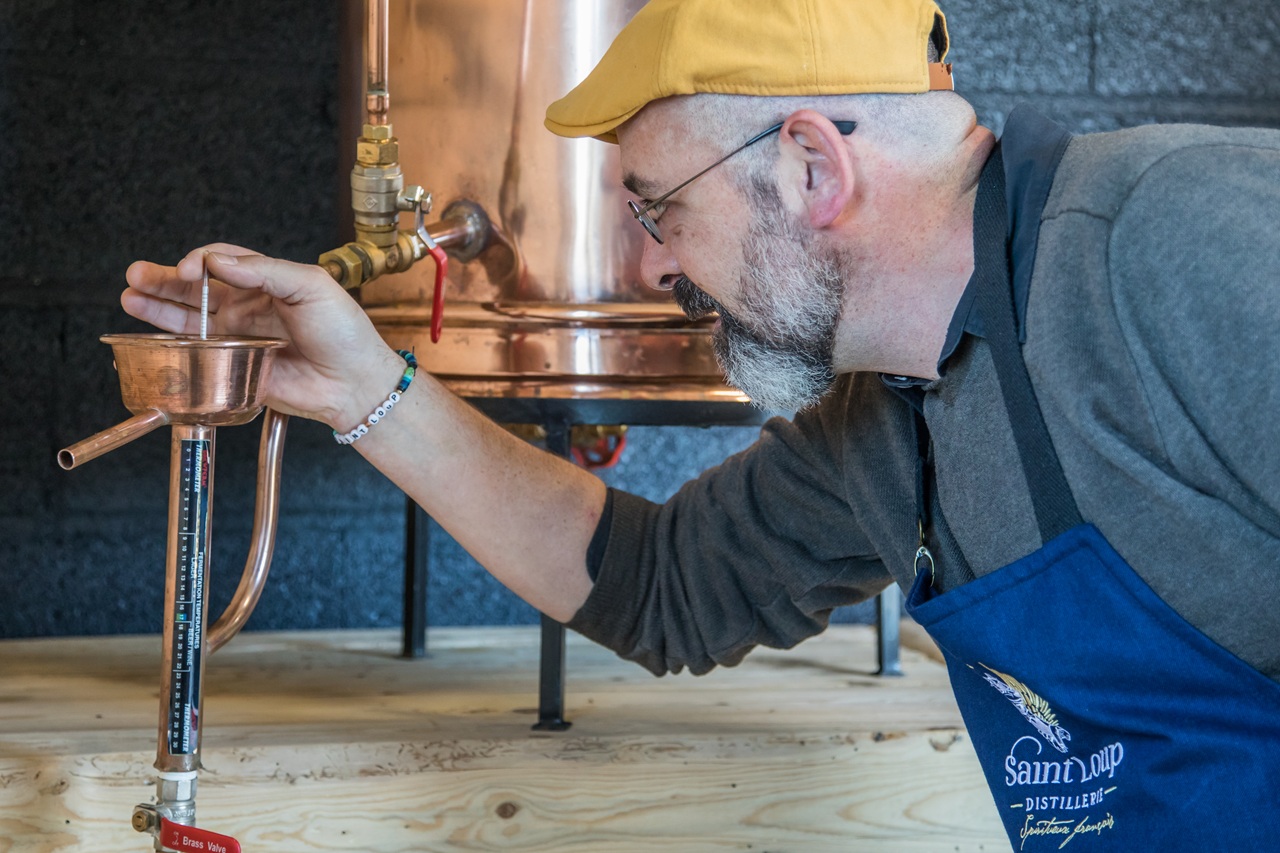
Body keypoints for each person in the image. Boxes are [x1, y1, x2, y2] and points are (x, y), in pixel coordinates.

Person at [123, 0, 1280, 847]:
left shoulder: (1178, 242)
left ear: (809, 168)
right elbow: (655, 582)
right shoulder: (885, 415)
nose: (648, 261)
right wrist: (365, 387)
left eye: (656, 207)